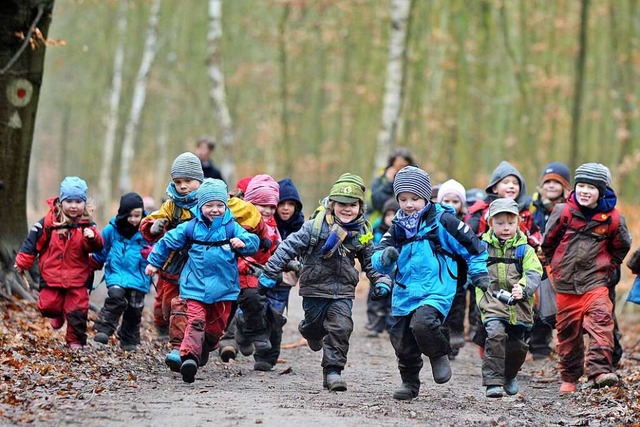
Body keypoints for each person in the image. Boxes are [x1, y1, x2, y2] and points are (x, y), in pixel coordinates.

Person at [258, 173, 392, 392]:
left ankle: (333, 371)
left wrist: (380, 280)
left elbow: (370, 261)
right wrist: (269, 273)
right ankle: (309, 331)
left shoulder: (362, 232)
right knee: (314, 328)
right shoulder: (315, 227)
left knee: (341, 328)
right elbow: (287, 248)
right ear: (332, 204)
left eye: (353, 205)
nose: (347, 209)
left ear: (360, 207)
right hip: (314, 290)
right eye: (342, 204)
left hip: (343, 292)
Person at [371, 166, 489, 401]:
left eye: (415, 198)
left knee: (423, 323)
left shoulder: (444, 221)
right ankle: (410, 383)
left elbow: (474, 247)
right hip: (405, 292)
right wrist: (385, 259)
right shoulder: (397, 226)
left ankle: (438, 354)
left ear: (426, 197)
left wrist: (479, 274)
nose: (409, 204)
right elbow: (378, 256)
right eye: (403, 199)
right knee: (402, 341)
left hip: (437, 287)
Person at [145, 179, 259, 383]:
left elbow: (254, 242)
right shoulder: (190, 227)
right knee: (196, 321)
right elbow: (167, 241)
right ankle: (188, 358)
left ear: (225, 205)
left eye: (219, 205)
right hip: (195, 285)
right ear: (200, 206)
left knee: (215, 330)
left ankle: (206, 346)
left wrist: (243, 243)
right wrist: (154, 262)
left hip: (224, 288)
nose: (214, 210)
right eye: (209, 205)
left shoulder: (232, 227)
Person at [541, 163, 631, 393]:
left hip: (596, 283)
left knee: (601, 323)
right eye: (581, 185)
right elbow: (547, 243)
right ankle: (569, 378)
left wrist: (607, 268)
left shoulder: (612, 219)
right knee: (568, 334)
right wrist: (557, 268)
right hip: (565, 286)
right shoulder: (562, 212)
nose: (584, 191)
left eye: (591, 187)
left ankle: (600, 372)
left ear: (601, 191)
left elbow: (622, 247)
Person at [14, 177, 104, 349]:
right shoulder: (49, 222)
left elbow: (98, 245)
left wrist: (92, 238)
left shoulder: (87, 225)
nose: (73, 205)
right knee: (47, 306)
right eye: (69, 201)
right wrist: (22, 262)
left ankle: (75, 341)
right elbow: (32, 242)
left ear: (84, 204)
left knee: (77, 312)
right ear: (61, 201)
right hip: (52, 276)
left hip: (78, 278)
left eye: (78, 201)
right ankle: (58, 313)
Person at [139, 152, 203, 369]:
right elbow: (149, 222)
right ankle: (175, 337)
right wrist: (154, 226)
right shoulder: (171, 205)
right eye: (178, 182)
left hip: (198, 263)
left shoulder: (209, 202)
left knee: (184, 306)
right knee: (167, 308)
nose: (183, 186)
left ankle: (181, 348)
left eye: (188, 181)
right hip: (172, 264)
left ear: (200, 181)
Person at [477, 198, 542, 397]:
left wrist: (523, 288)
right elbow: (474, 267)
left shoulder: (526, 250)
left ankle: (509, 374)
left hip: (519, 303)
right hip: (492, 299)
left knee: (517, 346)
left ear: (518, 223)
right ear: (490, 224)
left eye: (510, 223)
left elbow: (533, 272)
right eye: (500, 223)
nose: (506, 228)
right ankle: (492, 382)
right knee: (495, 334)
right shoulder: (482, 247)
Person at [251, 177, 305, 371]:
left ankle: (268, 356)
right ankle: (257, 344)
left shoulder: (301, 226)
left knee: (275, 316)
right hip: (262, 274)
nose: (285, 208)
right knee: (257, 310)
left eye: (291, 204)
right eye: (281, 203)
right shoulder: (264, 222)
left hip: (285, 279)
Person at [91, 193, 151, 351]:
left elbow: (158, 248)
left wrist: (154, 261)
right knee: (116, 297)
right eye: (129, 216)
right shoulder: (112, 229)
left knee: (134, 309)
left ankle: (128, 339)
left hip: (139, 275)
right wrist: (94, 263)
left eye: (137, 215)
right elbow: (101, 249)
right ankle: (104, 329)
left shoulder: (148, 229)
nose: (133, 220)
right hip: (116, 273)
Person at [234, 175, 282, 359]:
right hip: (239, 270)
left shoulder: (271, 224)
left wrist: (284, 262)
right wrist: (248, 265)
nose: (268, 210)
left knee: (260, 302)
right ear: (250, 203)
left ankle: (247, 331)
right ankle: (251, 333)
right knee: (252, 298)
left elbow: (275, 246)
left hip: (260, 271)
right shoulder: (241, 223)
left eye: (272, 207)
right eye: (263, 205)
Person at [528, 162, 571, 359]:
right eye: (548, 182)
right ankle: (538, 347)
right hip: (536, 261)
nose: (551, 186)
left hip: (561, 263)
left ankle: (566, 348)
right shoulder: (533, 206)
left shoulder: (570, 208)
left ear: (565, 186)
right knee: (537, 303)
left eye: (557, 182)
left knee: (561, 306)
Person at [437, 179, 470, 358]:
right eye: (446, 201)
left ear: (462, 204)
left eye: (455, 201)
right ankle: (441, 343)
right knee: (441, 309)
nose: (450, 205)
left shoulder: (465, 223)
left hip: (459, 275)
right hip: (439, 274)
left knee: (457, 306)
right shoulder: (435, 222)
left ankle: (456, 334)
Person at [365, 198, 400, 338]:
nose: (391, 218)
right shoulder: (376, 231)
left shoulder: (401, 234)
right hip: (378, 273)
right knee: (376, 300)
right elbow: (368, 252)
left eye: (395, 214)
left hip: (396, 273)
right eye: (388, 215)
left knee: (393, 301)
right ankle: (375, 325)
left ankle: (392, 326)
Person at [367, 148, 415, 220]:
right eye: (398, 167)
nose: (401, 171)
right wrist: (390, 182)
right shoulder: (381, 180)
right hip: (380, 223)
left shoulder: (414, 181)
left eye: (404, 167)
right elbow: (376, 202)